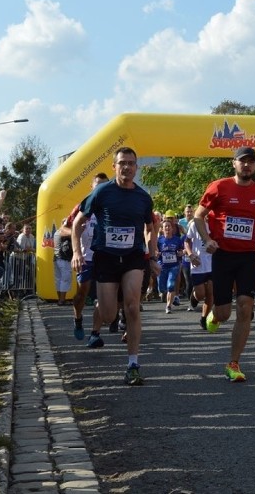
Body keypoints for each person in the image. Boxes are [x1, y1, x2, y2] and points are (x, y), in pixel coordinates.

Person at [71, 147, 158, 386]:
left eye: (131, 163)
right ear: (114, 166)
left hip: (132, 257)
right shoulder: (101, 192)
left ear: (136, 168)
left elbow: (151, 228)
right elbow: (78, 222)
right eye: (122, 163)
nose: (127, 167)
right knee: (109, 315)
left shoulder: (143, 197)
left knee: (132, 307)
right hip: (106, 258)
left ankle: (133, 364)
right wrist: (77, 252)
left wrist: (152, 255)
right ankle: (107, 307)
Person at [194, 146, 255, 382]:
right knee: (224, 313)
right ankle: (214, 317)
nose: (247, 165)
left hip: (248, 256)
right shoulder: (219, 187)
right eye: (242, 161)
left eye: (251, 162)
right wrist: (207, 240)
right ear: (234, 163)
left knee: (245, 307)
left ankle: (234, 363)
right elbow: (198, 216)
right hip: (223, 255)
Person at [65, 173, 109, 340]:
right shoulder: (82, 207)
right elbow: (63, 230)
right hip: (85, 258)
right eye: (97, 185)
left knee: (101, 296)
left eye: (104, 185)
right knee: (82, 294)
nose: (100, 189)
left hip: (104, 258)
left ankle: (95, 334)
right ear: (92, 187)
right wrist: (76, 232)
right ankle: (78, 318)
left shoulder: (109, 207)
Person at [185, 218, 213, 330]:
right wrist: (191, 255)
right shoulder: (195, 225)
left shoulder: (216, 224)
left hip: (212, 265)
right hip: (198, 264)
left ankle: (204, 318)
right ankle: (194, 297)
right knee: (201, 294)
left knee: (211, 293)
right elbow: (186, 241)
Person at [157, 220, 184, 314]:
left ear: (172, 228)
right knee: (162, 288)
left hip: (174, 265)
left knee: (171, 285)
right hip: (162, 266)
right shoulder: (159, 240)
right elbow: (155, 251)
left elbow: (182, 250)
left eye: (169, 226)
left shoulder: (177, 239)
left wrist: (181, 253)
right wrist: (157, 253)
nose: (167, 228)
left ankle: (168, 306)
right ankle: (165, 294)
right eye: (165, 227)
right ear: (162, 229)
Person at [53, 218, 74, 307]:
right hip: (64, 259)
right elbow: (74, 234)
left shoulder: (57, 232)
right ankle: (62, 300)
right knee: (65, 279)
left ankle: (60, 299)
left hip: (57, 258)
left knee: (59, 280)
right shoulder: (64, 232)